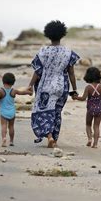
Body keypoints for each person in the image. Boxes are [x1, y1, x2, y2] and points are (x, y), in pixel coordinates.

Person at [28, 20, 79, 148]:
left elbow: (38, 71)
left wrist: (30, 85)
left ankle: (49, 136)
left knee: (45, 111)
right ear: (62, 34)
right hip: (62, 86)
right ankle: (54, 139)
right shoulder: (68, 52)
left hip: (45, 86)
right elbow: (71, 73)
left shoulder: (43, 51)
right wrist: (75, 89)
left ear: (48, 35)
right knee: (57, 112)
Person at [72, 67, 101, 148]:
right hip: (99, 109)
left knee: (88, 124)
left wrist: (76, 97)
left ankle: (89, 139)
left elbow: (83, 98)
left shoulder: (88, 87)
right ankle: (95, 144)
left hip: (90, 109)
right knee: (96, 126)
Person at [0, 72, 33, 147]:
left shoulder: (0, 91)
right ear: (13, 82)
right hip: (12, 112)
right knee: (11, 127)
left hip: (4, 112)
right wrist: (29, 92)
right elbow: (23, 92)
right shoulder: (14, 91)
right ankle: (11, 141)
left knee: (3, 125)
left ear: (3, 81)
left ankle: (4, 138)